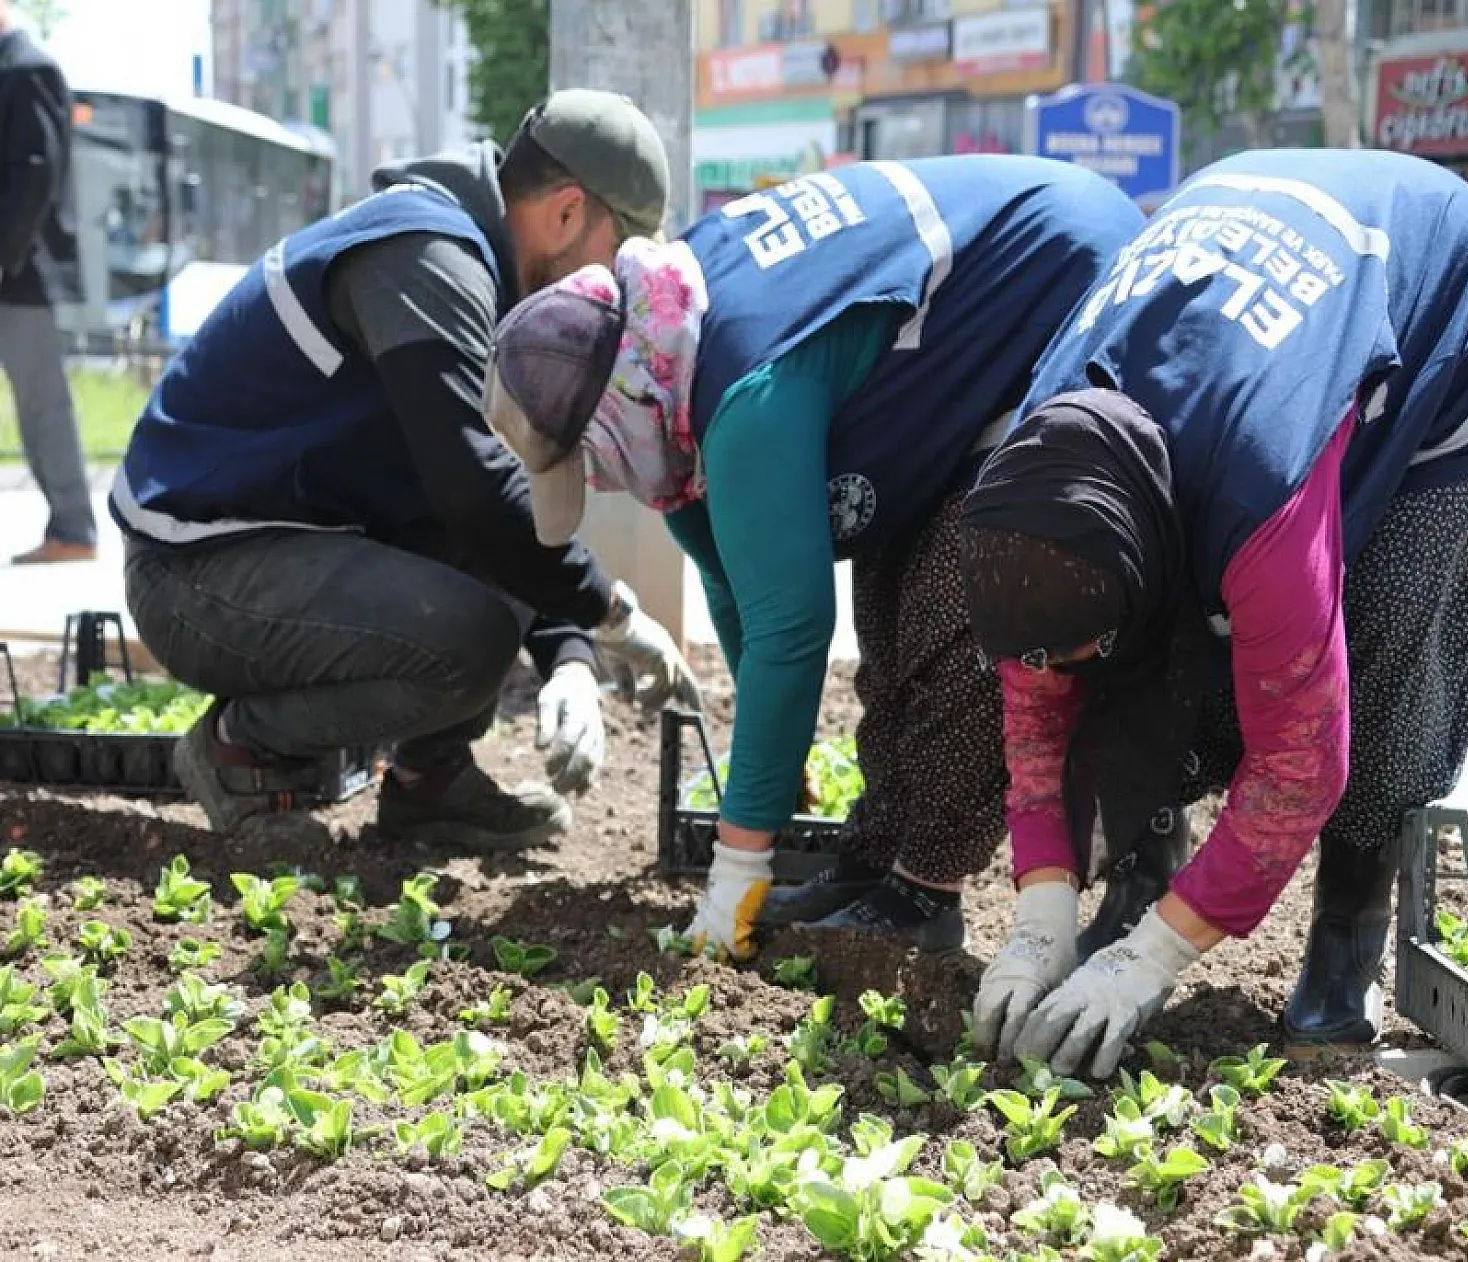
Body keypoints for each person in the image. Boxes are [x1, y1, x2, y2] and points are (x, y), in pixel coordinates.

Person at [960, 147, 1468, 1078]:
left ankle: (1347, 937)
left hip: (1443, 357)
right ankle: (1144, 869)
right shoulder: (1033, 488)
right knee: (1123, 668)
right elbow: (1037, 710)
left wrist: (1154, 959)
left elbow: (1302, 761)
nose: (1049, 670)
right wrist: (1040, 913)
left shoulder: (1257, 493)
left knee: (1381, 649)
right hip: (1265, 325)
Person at [481, 156, 1145, 956]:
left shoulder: (747, 389)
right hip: (982, 311)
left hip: (1062, 282)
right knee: (883, 613)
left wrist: (737, 869)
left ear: (619, 404)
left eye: (590, 462)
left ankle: (923, 889)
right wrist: (774, 769)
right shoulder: (665, 330)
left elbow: (792, 635)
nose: (601, 484)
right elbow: (730, 574)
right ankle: (873, 862)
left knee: (954, 604)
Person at [113, 90, 699, 850]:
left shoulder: (478, 266)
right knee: (467, 635)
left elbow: (500, 499)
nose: (609, 296)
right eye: (615, 256)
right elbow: (472, 486)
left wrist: (572, 657)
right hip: (195, 569)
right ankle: (240, 752)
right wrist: (608, 613)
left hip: (283, 543)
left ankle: (432, 785)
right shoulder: (426, 257)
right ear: (565, 212)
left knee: (500, 563)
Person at [0, 0, 97, 565]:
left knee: (42, 406)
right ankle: (70, 526)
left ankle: (73, 529)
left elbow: (36, 172)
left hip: (22, 275)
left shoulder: (26, 68)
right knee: (38, 405)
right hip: (13, 271)